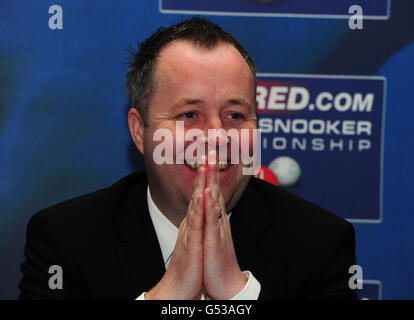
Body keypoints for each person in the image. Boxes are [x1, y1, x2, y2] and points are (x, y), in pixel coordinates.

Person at [19, 17, 357, 300]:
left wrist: (238, 294)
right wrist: (165, 296)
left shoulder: (319, 243)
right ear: (140, 132)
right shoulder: (65, 241)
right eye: (190, 114)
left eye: (235, 116)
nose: (215, 137)